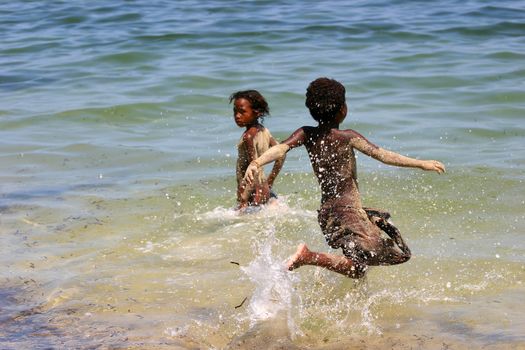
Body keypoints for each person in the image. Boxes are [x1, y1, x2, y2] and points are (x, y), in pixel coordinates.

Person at [244, 78, 445, 278]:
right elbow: (382, 155)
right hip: (348, 213)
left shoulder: (306, 133)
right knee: (398, 254)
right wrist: (421, 163)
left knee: (358, 269)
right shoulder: (347, 136)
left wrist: (256, 163)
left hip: (328, 214)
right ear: (343, 109)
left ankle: (354, 300)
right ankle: (308, 256)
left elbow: (281, 149)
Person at [230, 90, 285, 210]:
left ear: (257, 113)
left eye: (242, 112)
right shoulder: (264, 131)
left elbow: (253, 167)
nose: (237, 116)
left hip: (252, 193)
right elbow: (281, 154)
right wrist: (269, 181)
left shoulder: (248, 137)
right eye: (235, 111)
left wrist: (244, 199)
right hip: (264, 189)